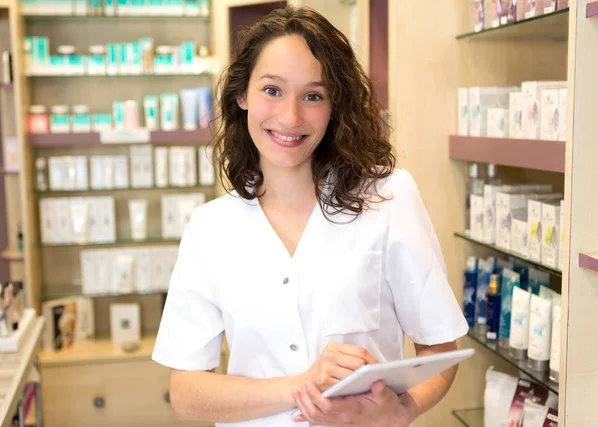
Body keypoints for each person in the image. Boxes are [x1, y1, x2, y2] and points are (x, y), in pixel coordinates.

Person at [152, 5, 468, 427]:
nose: (290, 117)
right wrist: (302, 384)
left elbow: (441, 348)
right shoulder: (210, 229)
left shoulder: (388, 199)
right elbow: (187, 392)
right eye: (272, 90)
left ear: (335, 105)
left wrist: (402, 410)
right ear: (242, 95)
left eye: (313, 96)